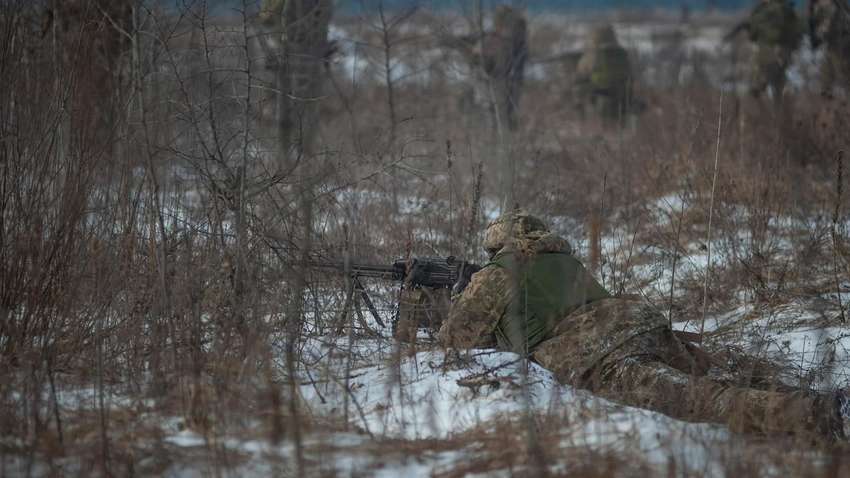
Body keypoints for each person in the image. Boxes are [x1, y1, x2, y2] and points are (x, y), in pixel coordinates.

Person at [438, 210, 848, 441]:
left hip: (598, 352)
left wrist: (460, 293)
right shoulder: (563, 260)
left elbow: (457, 338)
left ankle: (816, 413)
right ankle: (812, 394)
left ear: (497, 246)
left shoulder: (500, 269)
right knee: (711, 373)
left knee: (695, 399)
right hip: (638, 319)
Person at [443, 6, 528, 132]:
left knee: (497, 116)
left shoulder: (513, 45)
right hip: (490, 90)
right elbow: (478, 57)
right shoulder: (494, 41)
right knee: (491, 116)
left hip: (499, 90)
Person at [727, 0, 803, 103]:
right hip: (782, 49)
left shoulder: (767, 9)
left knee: (762, 80)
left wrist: (753, 35)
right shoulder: (785, 8)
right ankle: (778, 106)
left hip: (769, 48)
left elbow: (755, 27)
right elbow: (798, 29)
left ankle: (764, 104)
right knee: (777, 81)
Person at [574, 24, 635, 122]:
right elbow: (630, 72)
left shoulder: (593, 53)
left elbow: (582, 71)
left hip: (599, 89)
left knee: (578, 89)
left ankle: (581, 119)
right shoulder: (622, 53)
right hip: (620, 90)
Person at [809, 0, 850, 95]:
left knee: (831, 66)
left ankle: (828, 92)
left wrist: (818, 38)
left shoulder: (829, 5)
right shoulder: (840, 3)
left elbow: (828, 24)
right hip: (842, 39)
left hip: (839, 40)